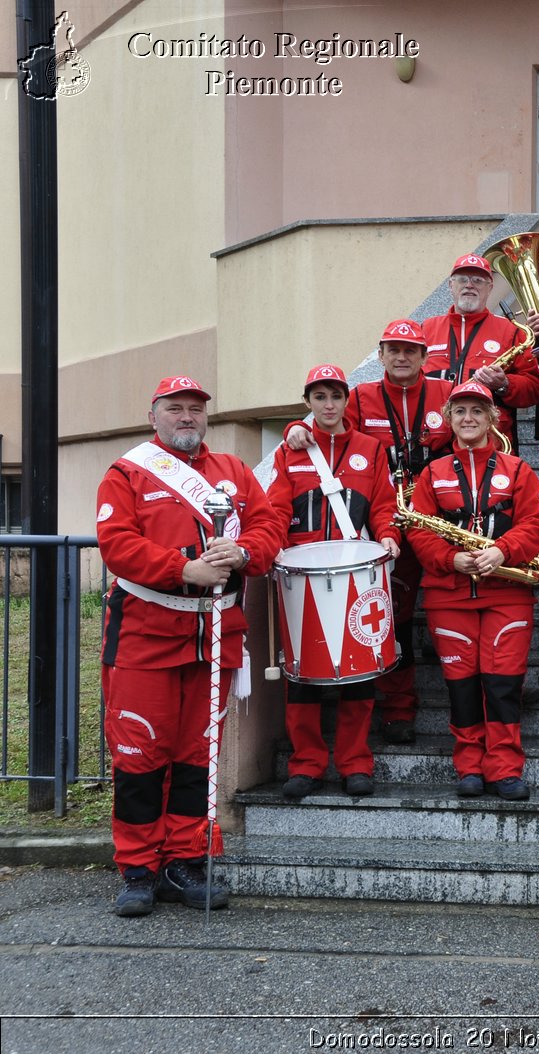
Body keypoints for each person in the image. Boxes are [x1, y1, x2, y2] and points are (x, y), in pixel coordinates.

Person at [97, 376, 281, 917]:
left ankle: (185, 862)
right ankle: (137, 867)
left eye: (195, 409)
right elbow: (118, 545)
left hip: (214, 635)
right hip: (144, 637)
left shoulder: (234, 472)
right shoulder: (127, 472)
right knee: (139, 755)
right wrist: (185, 568)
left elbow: (270, 524)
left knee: (196, 755)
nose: (186, 417)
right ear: (154, 416)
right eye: (175, 408)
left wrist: (244, 552)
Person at [284, 318, 452, 743]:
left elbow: (480, 419)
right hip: (382, 532)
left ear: (424, 356)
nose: (401, 356)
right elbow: (326, 433)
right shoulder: (358, 396)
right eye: (393, 349)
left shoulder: (446, 392)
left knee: (410, 618)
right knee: (385, 621)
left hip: (433, 524)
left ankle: (408, 704)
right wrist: (292, 429)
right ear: (379, 355)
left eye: (410, 350)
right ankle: (397, 710)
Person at [404, 381, 539, 801]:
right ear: (448, 420)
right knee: (461, 685)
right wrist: (452, 560)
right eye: (460, 411)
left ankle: (505, 768)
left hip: (507, 592)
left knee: (503, 684)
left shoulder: (518, 469)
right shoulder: (431, 473)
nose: (469, 418)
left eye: (478, 411)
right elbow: (418, 529)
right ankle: (469, 765)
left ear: (493, 419)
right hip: (448, 595)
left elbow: (536, 526)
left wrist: (503, 551)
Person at [267, 365, 403, 799]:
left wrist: (388, 536)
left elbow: (384, 503)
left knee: (361, 673)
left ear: (347, 401)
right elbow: (273, 508)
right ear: (307, 402)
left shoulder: (371, 448)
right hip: (302, 577)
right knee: (302, 677)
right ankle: (306, 764)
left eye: (335, 397)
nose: (328, 405)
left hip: (356, 573)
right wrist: (271, 548)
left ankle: (355, 763)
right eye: (319, 397)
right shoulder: (290, 451)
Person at [421, 252, 539, 444]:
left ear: (490, 288)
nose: (469, 285)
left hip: (490, 444)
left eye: (478, 280)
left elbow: (535, 389)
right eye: (462, 279)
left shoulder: (511, 331)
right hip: (433, 441)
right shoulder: (425, 329)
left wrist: (505, 384)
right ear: (450, 286)